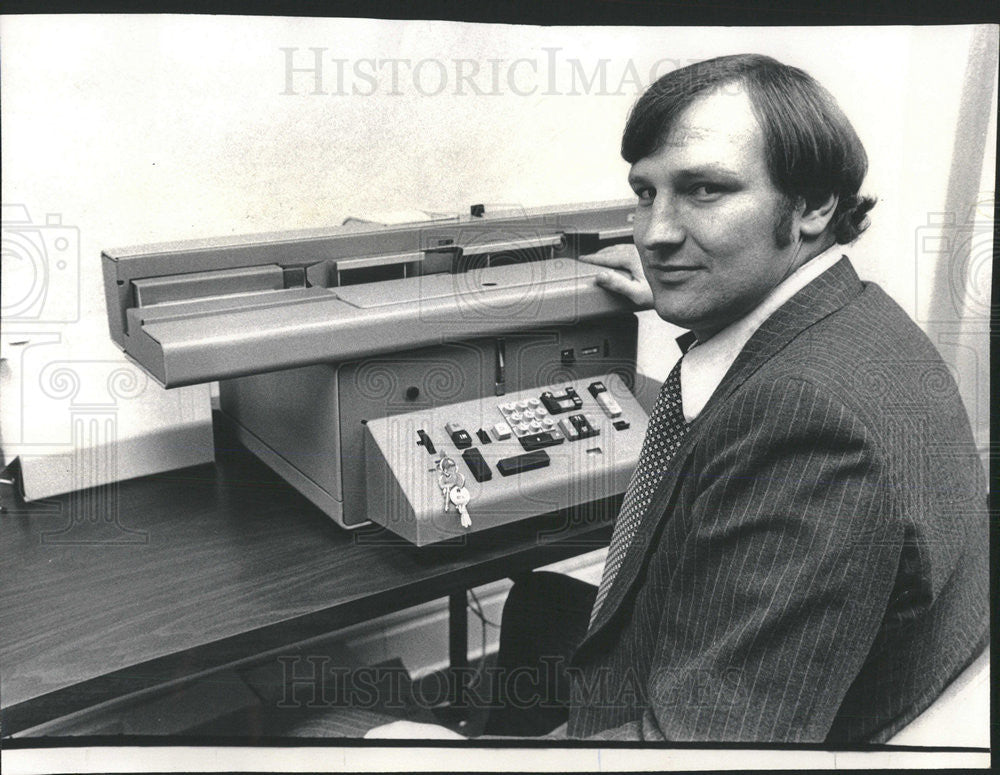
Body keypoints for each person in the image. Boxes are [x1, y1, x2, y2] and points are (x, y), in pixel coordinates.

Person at [367, 53, 988, 743]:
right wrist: (689, 290)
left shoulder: (812, 428)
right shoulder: (862, 323)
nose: (656, 233)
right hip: (813, 670)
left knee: (349, 727)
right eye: (645, 194)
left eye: (704, 191)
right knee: (539, 602)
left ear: (814, 205)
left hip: (734, 721)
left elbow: (694, 746)